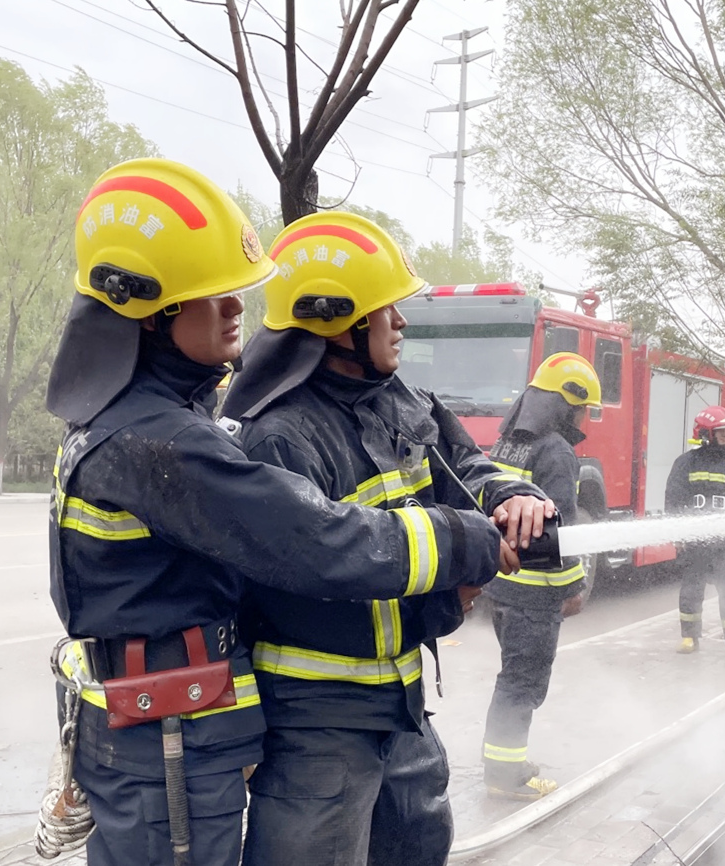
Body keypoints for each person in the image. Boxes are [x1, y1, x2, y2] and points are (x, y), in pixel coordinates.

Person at [44, 161, 511, 866]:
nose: (239, 307)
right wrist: (465, 542)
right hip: (167, 736)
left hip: (173, 728)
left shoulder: (142, 422)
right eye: (213, 293)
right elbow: (316, 541)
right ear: (145, 306)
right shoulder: (159, 441)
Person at [221, 211, 555, 866]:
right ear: (334, 319)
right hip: (316, 729)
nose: (400, 321)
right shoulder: (279, 436)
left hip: (400, 711)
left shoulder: (398, 399)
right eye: (384, 309)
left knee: (419, 845)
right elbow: (328, 557)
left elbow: (465, 467)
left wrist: (508, 497)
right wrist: (456, 558)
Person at [480, 352, 599, 800]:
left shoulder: (508, 443)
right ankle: (506, 775)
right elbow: (559, 532)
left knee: (512, 676)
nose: (584, 419)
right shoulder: (556, 451)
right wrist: (574, 588)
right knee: (522, 683)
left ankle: (502, 763)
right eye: (583, 409)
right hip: (535, 597)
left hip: (501, 586)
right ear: (568, 404)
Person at [664, 406, 725, 660]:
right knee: (691, 590)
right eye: (721, 432)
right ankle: (689, 637)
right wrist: (678, 533)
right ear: (705, 433)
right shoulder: (685, 463)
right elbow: (673, 500)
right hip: (695, 541)